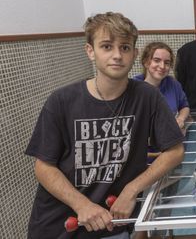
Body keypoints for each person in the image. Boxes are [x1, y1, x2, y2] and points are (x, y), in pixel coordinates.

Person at [24, 12, 185, 239]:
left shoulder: (147, 97)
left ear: (135, 54)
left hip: (112, 225)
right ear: (90, 51)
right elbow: (43, 167)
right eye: (107, 46)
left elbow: (175, 151)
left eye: (125, 48)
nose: (117, 55)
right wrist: (82, 205)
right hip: (59, 224)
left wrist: (131, 189)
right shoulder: (61, 101)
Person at [133, 42, 190, 162]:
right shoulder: (133, 88)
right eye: (157, 60)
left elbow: (184, 106)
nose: (162, 66)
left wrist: (180, 119)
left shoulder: (173, 84)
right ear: (146, 62)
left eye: (167, 62)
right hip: (143, 155)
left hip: (170, 151)